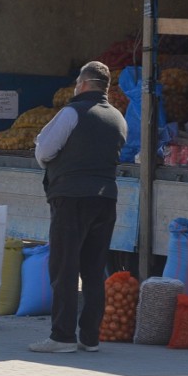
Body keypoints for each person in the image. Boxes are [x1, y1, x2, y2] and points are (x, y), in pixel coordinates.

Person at [29, 61, 128, 353]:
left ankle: (62, 337)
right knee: (95, 270)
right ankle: (90, 337)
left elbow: (45, 150)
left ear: (83, 84)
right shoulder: (118, 118)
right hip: (106, 198)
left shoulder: (72, 112)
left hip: (71, 199)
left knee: (64, 268)